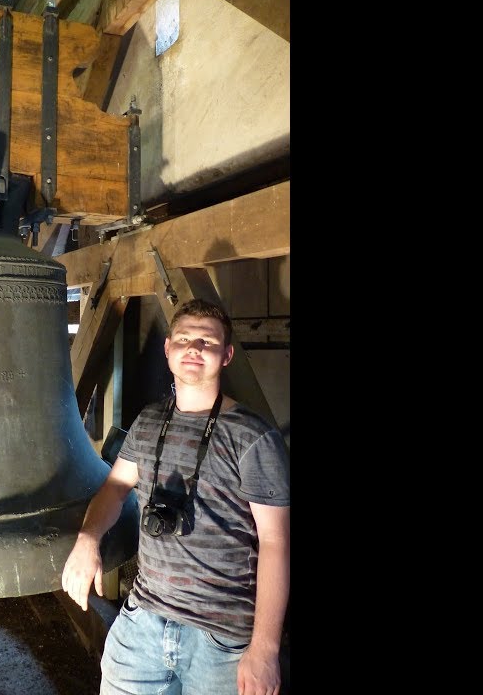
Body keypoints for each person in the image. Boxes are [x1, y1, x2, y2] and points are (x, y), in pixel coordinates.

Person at [61, 298, 290, 695]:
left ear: (227, 354)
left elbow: (276, 541)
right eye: (184, 338)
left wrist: (265, 650)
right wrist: (87, 539)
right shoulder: (148, 422)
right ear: (168, 349)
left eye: (208, 341)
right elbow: (115, 489)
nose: (194, 348)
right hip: (143, 623)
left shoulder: (253, 437)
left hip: (220, 641)